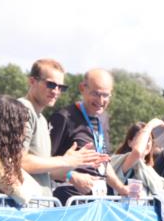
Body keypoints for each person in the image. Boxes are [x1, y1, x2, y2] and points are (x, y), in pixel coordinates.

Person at [18, 58, 105, 197]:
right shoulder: (22, 110)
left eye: (61, 87)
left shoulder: (42, 119)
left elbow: (46, 171)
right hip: (24, 205)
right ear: (32, 81)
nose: (56, 91)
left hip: (40, 204)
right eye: (51, 84)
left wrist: (73, 166)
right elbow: (19, 162)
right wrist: (65, 161)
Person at [49, 69, 130, 204]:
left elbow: (104, 163)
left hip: (98, 199)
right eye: (96, 94)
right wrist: (71, 176)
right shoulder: (64, 117)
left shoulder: (103, 119)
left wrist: (122, 188)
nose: (101, 100)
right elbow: (45, 162)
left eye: (105, 95)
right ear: (82, 88)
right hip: (70, 200)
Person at [0, 96, 43, 207]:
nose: (25, 130)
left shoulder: (4, 158)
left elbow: (38, 192)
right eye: (22, 123)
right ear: (10, 127)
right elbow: (22, 196)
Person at [111, 120, 164, 203]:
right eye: (142, 139)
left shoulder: (149, 170)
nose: (146, 143)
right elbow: (137, 152)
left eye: (149, 140)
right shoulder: (123, 162)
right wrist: (150, 125)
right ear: (130, 142)